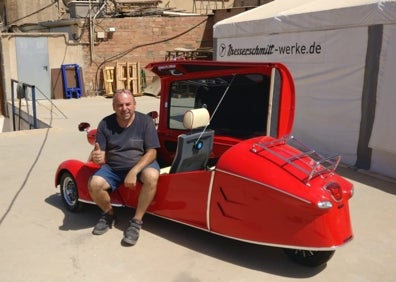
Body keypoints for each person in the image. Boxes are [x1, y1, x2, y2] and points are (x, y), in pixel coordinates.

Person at [88, 89, 160, 246]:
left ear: (135, 104)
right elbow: (100, 151)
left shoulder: (145, 122)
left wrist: (134, 171)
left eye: (128, 104)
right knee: (94, 184)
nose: (125, 108)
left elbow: (152, 152)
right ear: (114, 106)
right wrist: (98, 156)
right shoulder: (105, 124)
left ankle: (136, 222)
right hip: (114, 167)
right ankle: (109, 214)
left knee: (152, 176)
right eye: (120, 105)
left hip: (140, 164)